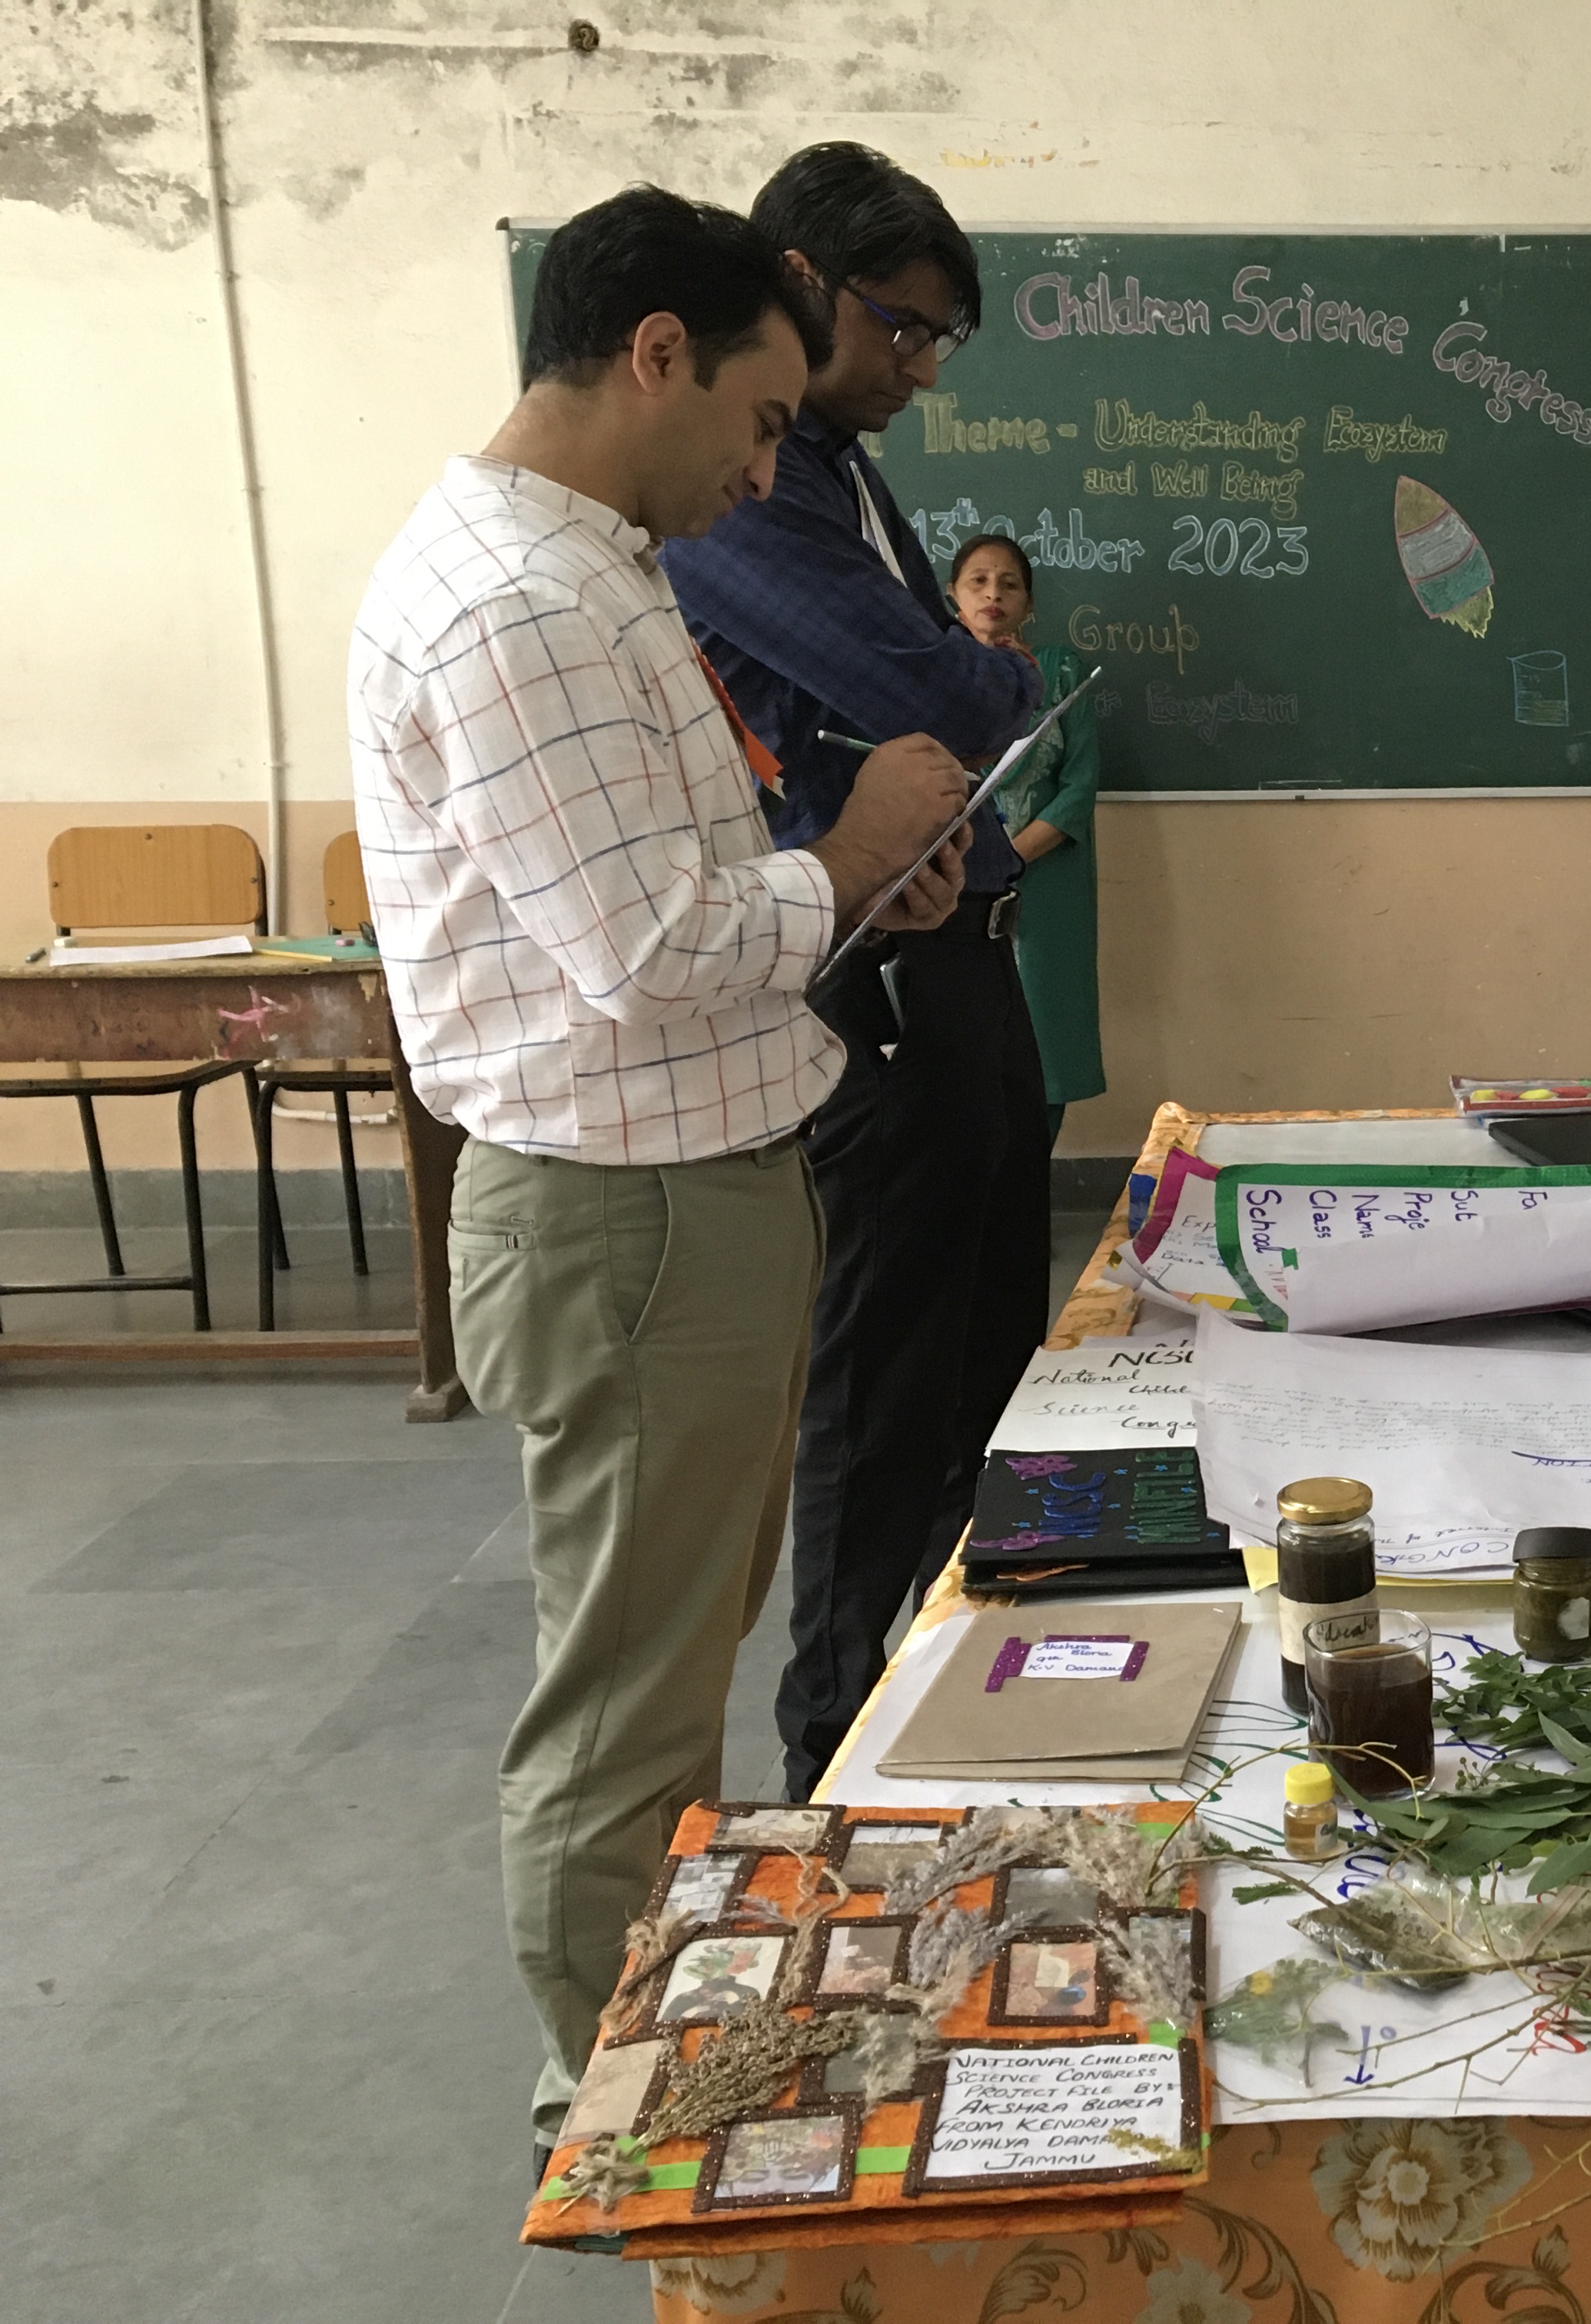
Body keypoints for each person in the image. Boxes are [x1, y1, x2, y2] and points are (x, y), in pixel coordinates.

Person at [344, 184, 971, 2159]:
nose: (768, 465)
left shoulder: (583, 561)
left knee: (662, 1650)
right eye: (763, 416)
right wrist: (856, 847)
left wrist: (842, 893)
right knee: (625, 1696)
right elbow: (642, 949)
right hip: (625, 1212)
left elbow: (664, 908)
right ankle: (611, 2098)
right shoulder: (517, 603)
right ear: (657, 356)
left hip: (681, 1179)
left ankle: (647, 2033)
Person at [662, 143, 1057, 1801]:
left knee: (985, 1366)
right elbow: (959, 696)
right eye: (903, 330)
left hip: (939, 955)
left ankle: (968, 1684)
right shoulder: (753, 496)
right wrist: (964, 683)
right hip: (852, 999)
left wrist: (962, 688)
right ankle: (840, 1746)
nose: (919, 373)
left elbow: (969, 696)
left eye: (940, 343)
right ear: (802, 283)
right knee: (879, 1391)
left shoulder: (831, 465)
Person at [949, 530, 1107, 1140]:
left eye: (1010, 584)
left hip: (1046, 887)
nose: (994, 594)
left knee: (1045, 1039)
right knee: (962, 1038)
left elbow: (1079, 787)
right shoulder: (927, 681)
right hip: (953, 886)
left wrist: (1007, 859)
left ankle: (1028, 1198)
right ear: (953, 598)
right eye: (979, 582)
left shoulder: (1065, 674)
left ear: (1029, 604)